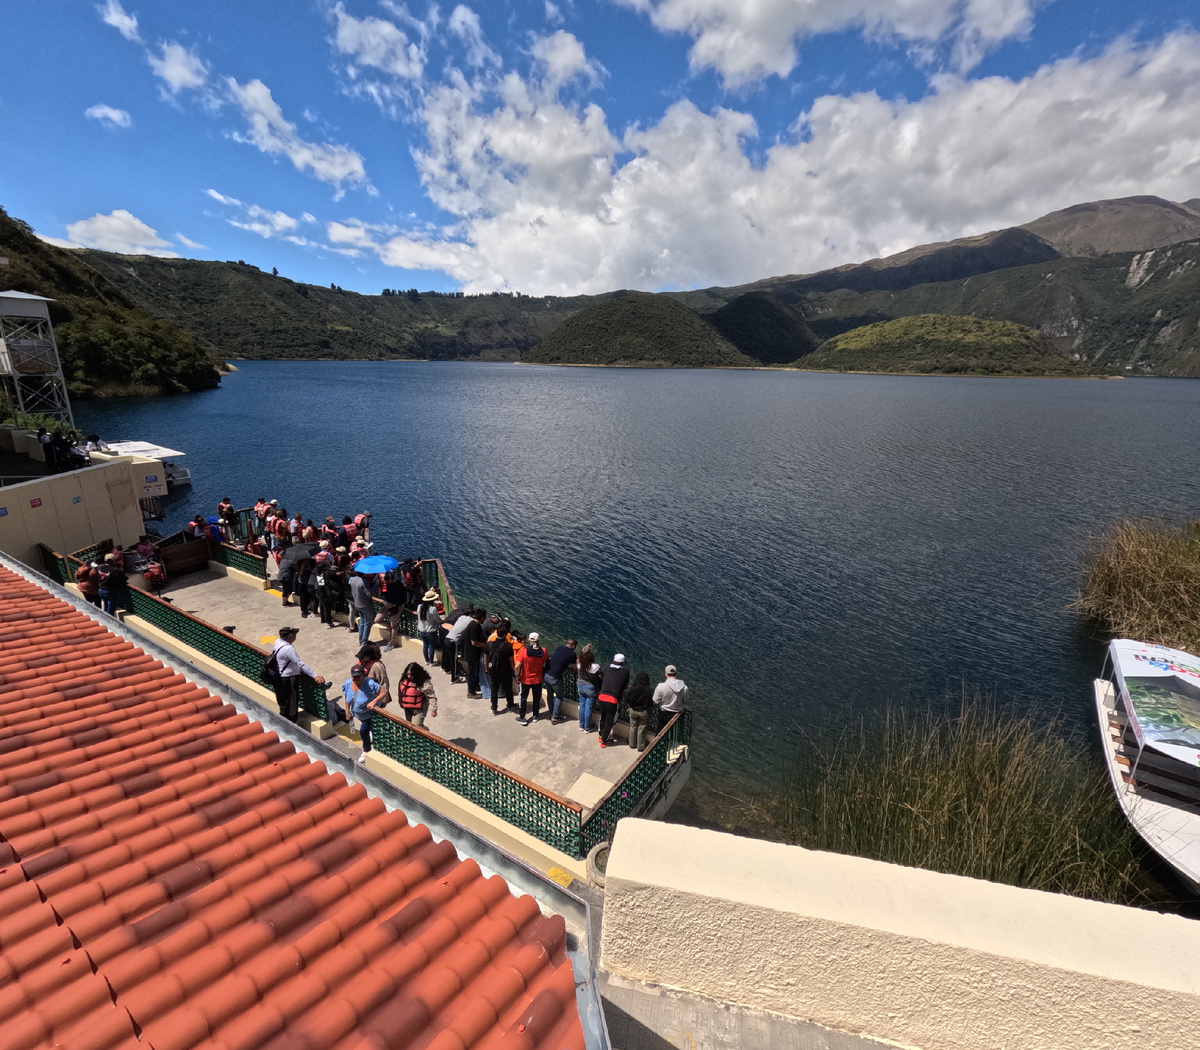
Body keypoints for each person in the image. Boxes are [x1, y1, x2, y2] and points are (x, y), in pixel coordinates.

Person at [271, 625, 325, 723]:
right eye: (294, 634)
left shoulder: (277, 642)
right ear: (290, 636)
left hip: (279, 678)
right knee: (291, 705)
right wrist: (315, 676)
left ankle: (283, 721)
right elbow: (300, 664)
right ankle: (291, 724)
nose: (296, 636)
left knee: (283, 704)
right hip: (288, 680)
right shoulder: (288, 648)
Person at [341, 662, 383, 764]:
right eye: (354, 677)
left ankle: (366, 749)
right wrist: (347, 712)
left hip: (370, 714)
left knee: (363, 731)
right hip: (358, 714)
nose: (356, 679)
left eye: (358, 677)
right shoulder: (348, 684)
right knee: (368, 729)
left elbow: (383, 692)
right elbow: (347, 698)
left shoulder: (370, 684)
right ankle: (372, 733)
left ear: (363, 675)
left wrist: (373, 702)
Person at [515, 631, 549, 726]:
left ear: (529, 640)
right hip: (538, 679)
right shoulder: (543, 651)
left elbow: (517, 666)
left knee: (523, 698)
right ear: (538, 640)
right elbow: (545, 659)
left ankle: (522, 717)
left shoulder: (524, 652)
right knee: (536, 698)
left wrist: (517, 675)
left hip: (525, 679)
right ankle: (535, 716)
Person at [597, 653, 630, 748]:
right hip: (613, 699)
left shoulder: (607, 667)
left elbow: (602, 676)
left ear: (613, 660)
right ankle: (604, 740)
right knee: (610, 720)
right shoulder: (625, 671)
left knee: (603, 716)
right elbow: (625, 683)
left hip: (602, 696)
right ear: (623, 663)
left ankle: (601, 735)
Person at [544, 638, 577, 725]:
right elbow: (574, 668)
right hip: (555, 678)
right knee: (559, 696)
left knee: (550, 695)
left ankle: (551, 712)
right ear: (573, 646)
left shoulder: (559, 648)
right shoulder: (573, 654)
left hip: (547, 675)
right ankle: (555, 717)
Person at [485, 618, 515, 714]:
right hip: (505, 671)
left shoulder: (489, 645)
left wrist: (486, 669)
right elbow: (511, 661)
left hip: (493, 670)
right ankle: (510, 705)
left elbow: (486, 658)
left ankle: (494, 707)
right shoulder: (508, 646)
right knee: (508, 689)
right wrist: (513, 671)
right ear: (505, 635)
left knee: (494, 690)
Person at [397, 662, 438, 726]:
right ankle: (424, 730)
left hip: (419, 709)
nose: (409, 676)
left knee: (416, 726)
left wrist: (433, 709)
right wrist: (401, 703)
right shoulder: (404, 680)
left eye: (411, 675)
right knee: (409, 726)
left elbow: (431, 696)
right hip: (407, 708)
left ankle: (424, 731)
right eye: (407, 674)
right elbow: (400, 693)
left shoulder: (423, 683)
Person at [653, 664, 690, 730]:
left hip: (663, 713)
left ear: (666, 675)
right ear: (676, 674)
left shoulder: (661, 686)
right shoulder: (685, 688)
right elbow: (686, 700)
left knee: (661, 732)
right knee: (674, 733)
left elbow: (655, 700)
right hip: (677, 715)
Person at [625, 671, 654, 752]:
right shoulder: (650, 690)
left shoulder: (631, 689)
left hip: (633, 710)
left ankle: (632, 743)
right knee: (642, 728)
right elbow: (652, 701)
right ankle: (640, 746)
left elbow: (626, 698)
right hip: (644, 711)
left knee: (633, 727)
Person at [462, 608, 488, 698]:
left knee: (475, 672)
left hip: (474, 654)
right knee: (472, 673)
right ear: (482, 618)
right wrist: (484, 645)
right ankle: (471, 692)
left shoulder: (475, 625)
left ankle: (475, 686)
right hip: (472, 654)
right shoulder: (474, 627)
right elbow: (474, 642)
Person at [576, 644, 601, 733]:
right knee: (588, 708)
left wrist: (585, 648)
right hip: (590, 687)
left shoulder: (579, 663)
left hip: (580, 685)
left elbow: (581, 656)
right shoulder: (595, 667)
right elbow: (601, 677)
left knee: (582, 705)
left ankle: (581, 725)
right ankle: (587, 727)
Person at [357, 642, 390, 706]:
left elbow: (384, 683)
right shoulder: (362, 663)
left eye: (362, 657)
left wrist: (384, 700)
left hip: (374, 699)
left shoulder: (377, 666)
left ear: (368, 657)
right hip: (363, 696)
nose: (359, 659)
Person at [416, 588, 443, 664]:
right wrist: (442, 622)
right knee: (431, 646)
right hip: (431, 631)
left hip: (422, 630)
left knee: (425, 645)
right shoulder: (433, 609)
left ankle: (426, 661)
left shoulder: (419, 606)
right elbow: (437, 619)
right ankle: (431, 662)